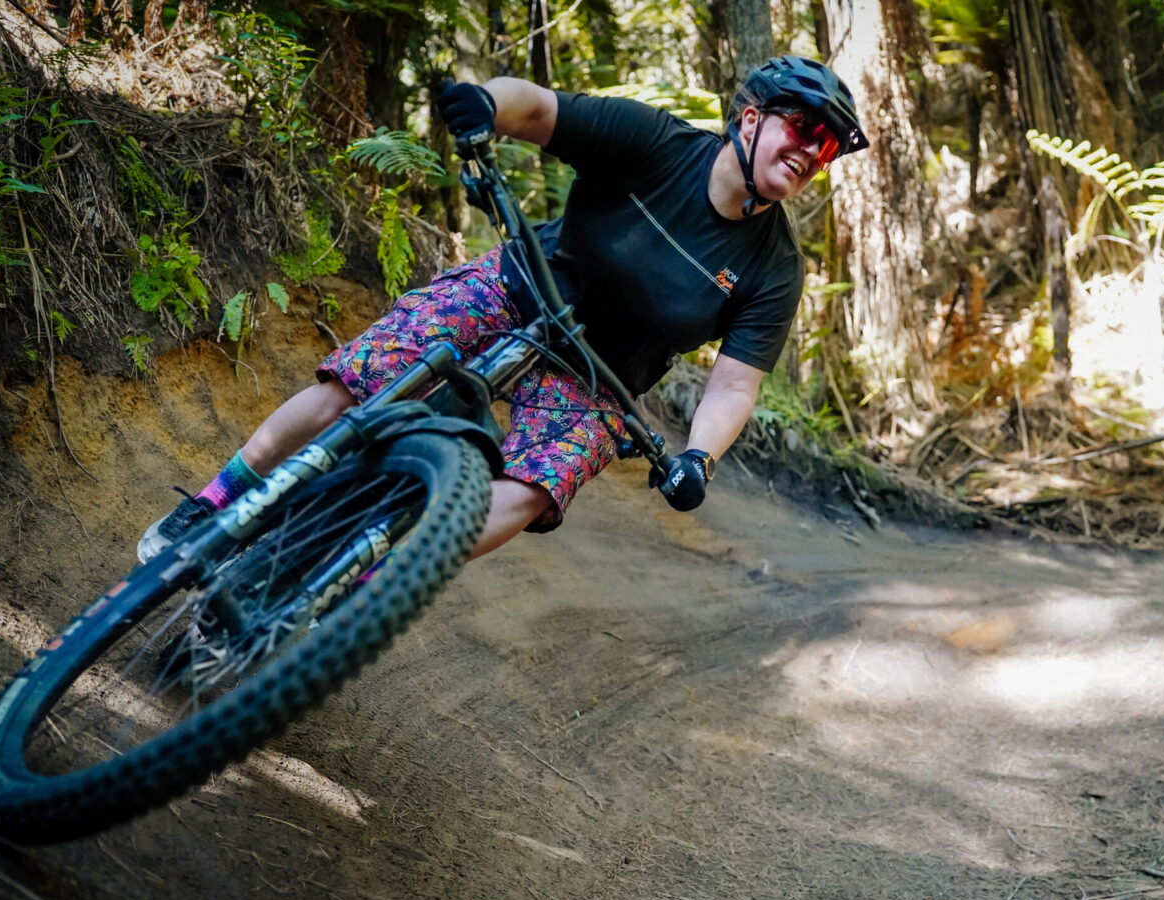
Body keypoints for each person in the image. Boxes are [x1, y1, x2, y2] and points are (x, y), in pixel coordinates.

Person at [137, 56, 868, 564]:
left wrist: (699, 458)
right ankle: (215, 501)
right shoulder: (656, 143)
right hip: (520, 288)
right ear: (750, 118)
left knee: (533, 489)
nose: (813, 151)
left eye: (828, 146)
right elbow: (540, 109)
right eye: (803, 128)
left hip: (600, 380)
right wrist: (486, 105)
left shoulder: (775, 266)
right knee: (363, 379)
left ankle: (368, 578)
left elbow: (735, 384)